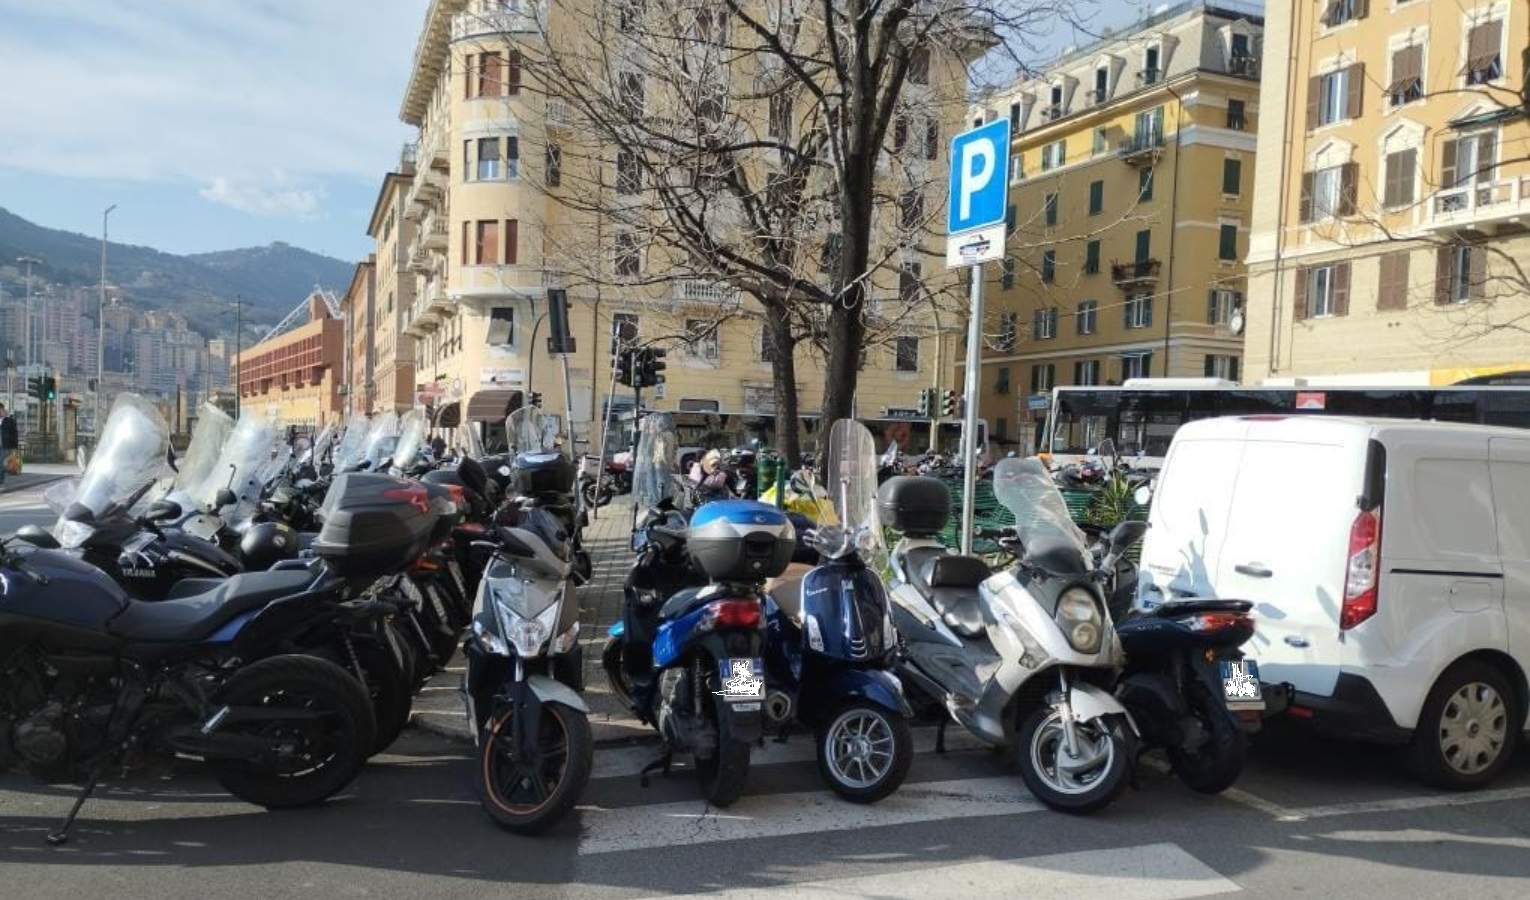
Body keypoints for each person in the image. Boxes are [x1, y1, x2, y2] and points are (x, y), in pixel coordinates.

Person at [0, 403, 16, 486]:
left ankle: (1, 481)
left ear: (3, 409)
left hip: (5, 445)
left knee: (2, 463)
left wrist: (14, 447)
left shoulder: (9, 420)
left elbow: (14, 434)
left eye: (0, 410)